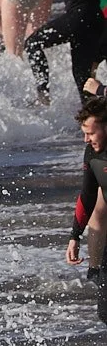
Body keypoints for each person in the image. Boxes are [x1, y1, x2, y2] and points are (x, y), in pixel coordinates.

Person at [67, 96, 107, 324]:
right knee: (105, 311)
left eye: (91, 133)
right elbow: (88, 195)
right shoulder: (92, 153)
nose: (86, 139)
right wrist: (75, 236)